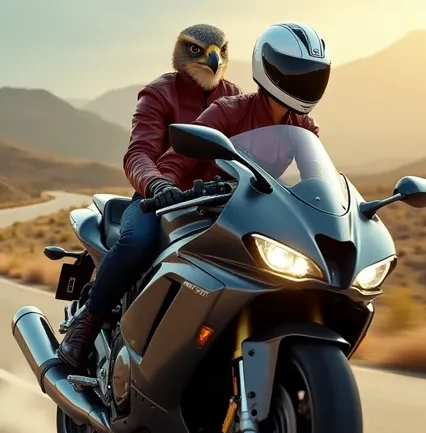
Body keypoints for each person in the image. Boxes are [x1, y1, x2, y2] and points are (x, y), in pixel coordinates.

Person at [57, 23, 240, 372]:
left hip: (216, 207)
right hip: (156, 201)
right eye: (197, 50)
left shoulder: (234, 98)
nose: (212, 58)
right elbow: (138, 153)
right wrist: (156, 185)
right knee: (136, 243)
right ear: (180, 52)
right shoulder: (160, 93)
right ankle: (88, 324)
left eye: (219, 50)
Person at [149, 21, 331, 204]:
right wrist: (166, 186)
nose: (306, 83)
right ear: (269, 65)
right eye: (296, 72)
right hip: (207, 210)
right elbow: (176, 159)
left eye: (314, 74)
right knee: (138, 233)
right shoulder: (227, 111)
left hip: (261, 210)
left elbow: (317, 179)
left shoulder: (304, 127)